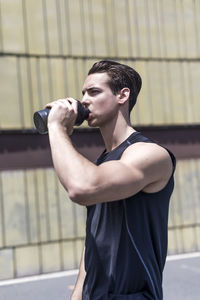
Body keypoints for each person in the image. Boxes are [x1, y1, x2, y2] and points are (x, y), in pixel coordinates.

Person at [46, 60, 176, 300]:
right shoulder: (101, 164)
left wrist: (56, 128)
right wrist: (77, 295)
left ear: (122, 95)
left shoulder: (150, 154)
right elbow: (94, 240)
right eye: (83, 93)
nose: (84, 100)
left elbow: (81, 188)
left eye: (94, 92)